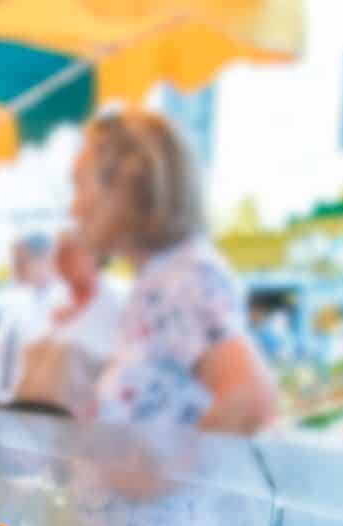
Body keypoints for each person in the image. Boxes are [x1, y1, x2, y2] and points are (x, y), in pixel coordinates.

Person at [72, 110, 276, 432]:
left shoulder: (184, 278)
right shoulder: (160, 276)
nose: (75, 207)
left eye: (81, 185)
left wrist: (166, 479)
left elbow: (250, 398)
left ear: (128, 185)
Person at [8, 230, 124, 416]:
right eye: (59, 255)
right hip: (38, 413)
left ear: (93, 255)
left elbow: (119, 360)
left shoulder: (117, 300)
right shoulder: (51, 300)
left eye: (69, 254)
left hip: (90, 413)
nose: (62, 263)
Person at [0, 233, 61, 406]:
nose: (16, 268)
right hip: (7, 402)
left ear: (44, 259)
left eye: (21, 261)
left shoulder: (60, 301)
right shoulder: (15, 300)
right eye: (15, 261)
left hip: (36, 403)